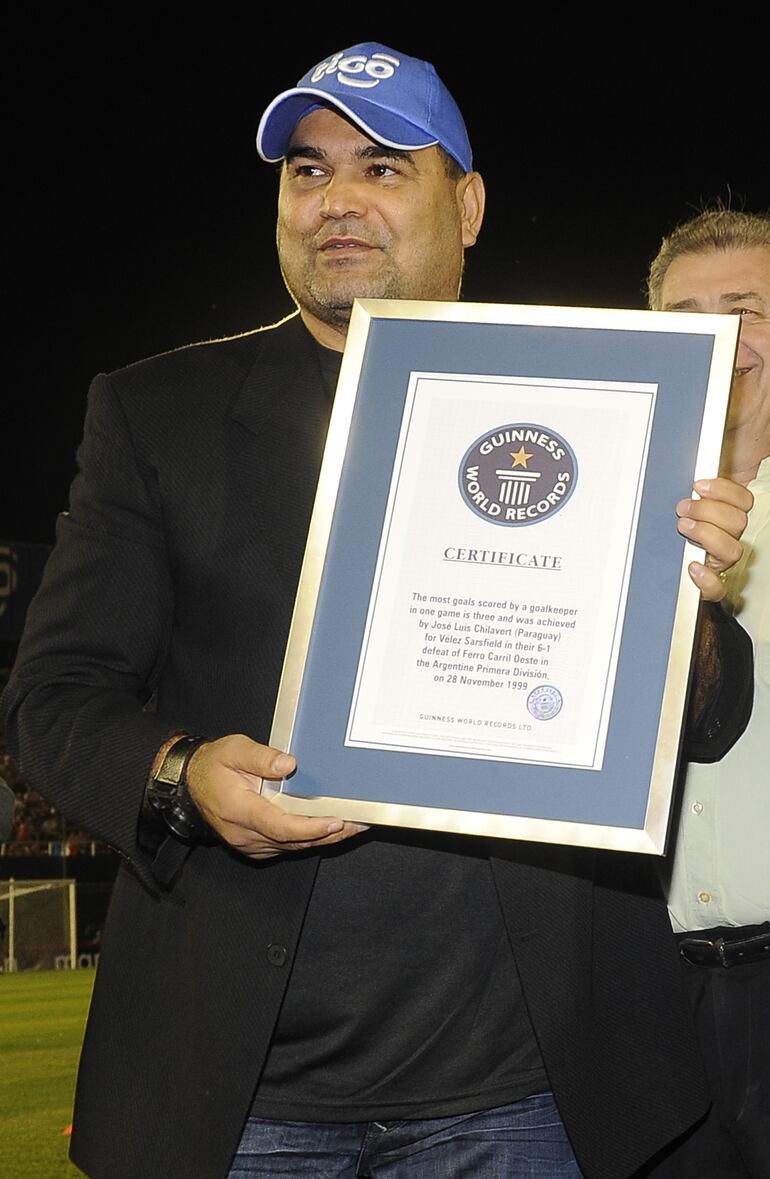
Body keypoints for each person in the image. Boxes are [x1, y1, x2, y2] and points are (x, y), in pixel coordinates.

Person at [0, 44, 754, 1179]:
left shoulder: (599, 395)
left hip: (528, 1093)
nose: (336, 200)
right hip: (245, 1099)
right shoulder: (157, 414)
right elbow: (52, 697)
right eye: (307, 171)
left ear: (468, 202)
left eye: (383, 166)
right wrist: (178, 777)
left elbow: (700, 717)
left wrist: (685, 611)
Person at [646, 207, 770, 1177]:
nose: (721, 338)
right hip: (652, 998)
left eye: (744, 309)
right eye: (690, 314)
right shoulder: (604, 523)